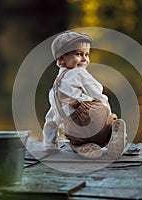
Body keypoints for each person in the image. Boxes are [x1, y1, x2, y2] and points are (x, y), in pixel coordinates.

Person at [43, 31, 127, 159]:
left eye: (87, 54)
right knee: (103, 110)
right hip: (92, 120)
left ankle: (80, 146)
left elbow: (51, 119)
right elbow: (97, 91)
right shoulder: (80, 73)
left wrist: (50, 144)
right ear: (61, 58)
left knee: (71, 135)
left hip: (75, 130)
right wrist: (108, 115)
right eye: (78, 54)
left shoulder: (54, 89)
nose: (84, 59)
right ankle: (111, 135)